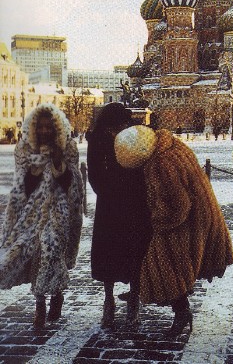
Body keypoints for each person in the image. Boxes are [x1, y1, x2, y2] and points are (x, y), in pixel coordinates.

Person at [114, 123, 233, 337]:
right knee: (175, 267)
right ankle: (176, 306)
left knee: (165, 266)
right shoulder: (170, 145)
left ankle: (181, 312)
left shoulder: (159, 164)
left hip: (186, 220)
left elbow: (177, 205)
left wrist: (158, 222)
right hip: (201, 214)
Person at [0, 103, 84, 329]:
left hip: (59, 210)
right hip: (31, 212)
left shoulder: (68, 148)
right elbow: (21, 187)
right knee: (35, 252)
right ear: (34, 129)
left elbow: (74, 186)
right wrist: (34, 174)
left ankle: (55, 293)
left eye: (49, 127)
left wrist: (59, 165)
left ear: (56, 128)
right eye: (41, 127)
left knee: (52, 250)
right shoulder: (24, 149)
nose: (45, 131)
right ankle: (39, 303)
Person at [86, 102, 152, 329]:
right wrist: (106, 191)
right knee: (108, 255)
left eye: (123, 123)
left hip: (135, 203)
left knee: (135, 253)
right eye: (116, 125)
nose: (119, 128)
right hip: (110, 205)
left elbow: (144, 164)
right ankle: (109, 300)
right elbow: (94, 173)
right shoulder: (97, 139)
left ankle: (134, 300)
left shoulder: (134, 136)